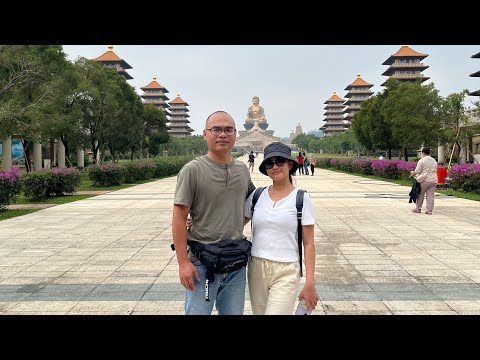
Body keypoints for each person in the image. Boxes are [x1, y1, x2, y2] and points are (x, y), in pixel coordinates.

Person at [172, 110, 256, 315]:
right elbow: (179, 217)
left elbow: (253, 206)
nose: (223, 134)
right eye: (216, 129)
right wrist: (183, 262)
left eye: (228, 130)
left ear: (236, 134)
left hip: (235, 261)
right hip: (202, 262)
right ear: (205, 134)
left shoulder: (242, 171)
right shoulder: (192, 170)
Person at [244, 142, 318, 315]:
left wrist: (309, 283)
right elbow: (234, 223)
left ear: (290, 164)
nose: (275, 166)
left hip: (287, 269)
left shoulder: (301, 198)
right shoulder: (257, 195)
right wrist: (198, 222)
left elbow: (308, 243)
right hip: (257, 266)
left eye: (280, 161)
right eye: (269, 163)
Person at [410, 147, 438, 215]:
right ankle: (429, 210)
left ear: (423, 153)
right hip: (434, 180)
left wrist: (412, 173)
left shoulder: (422, 160)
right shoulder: (434, 160)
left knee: (420, 194)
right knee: (430, 195)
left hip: (424, 179)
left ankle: (418, 208)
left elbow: (417, 171)